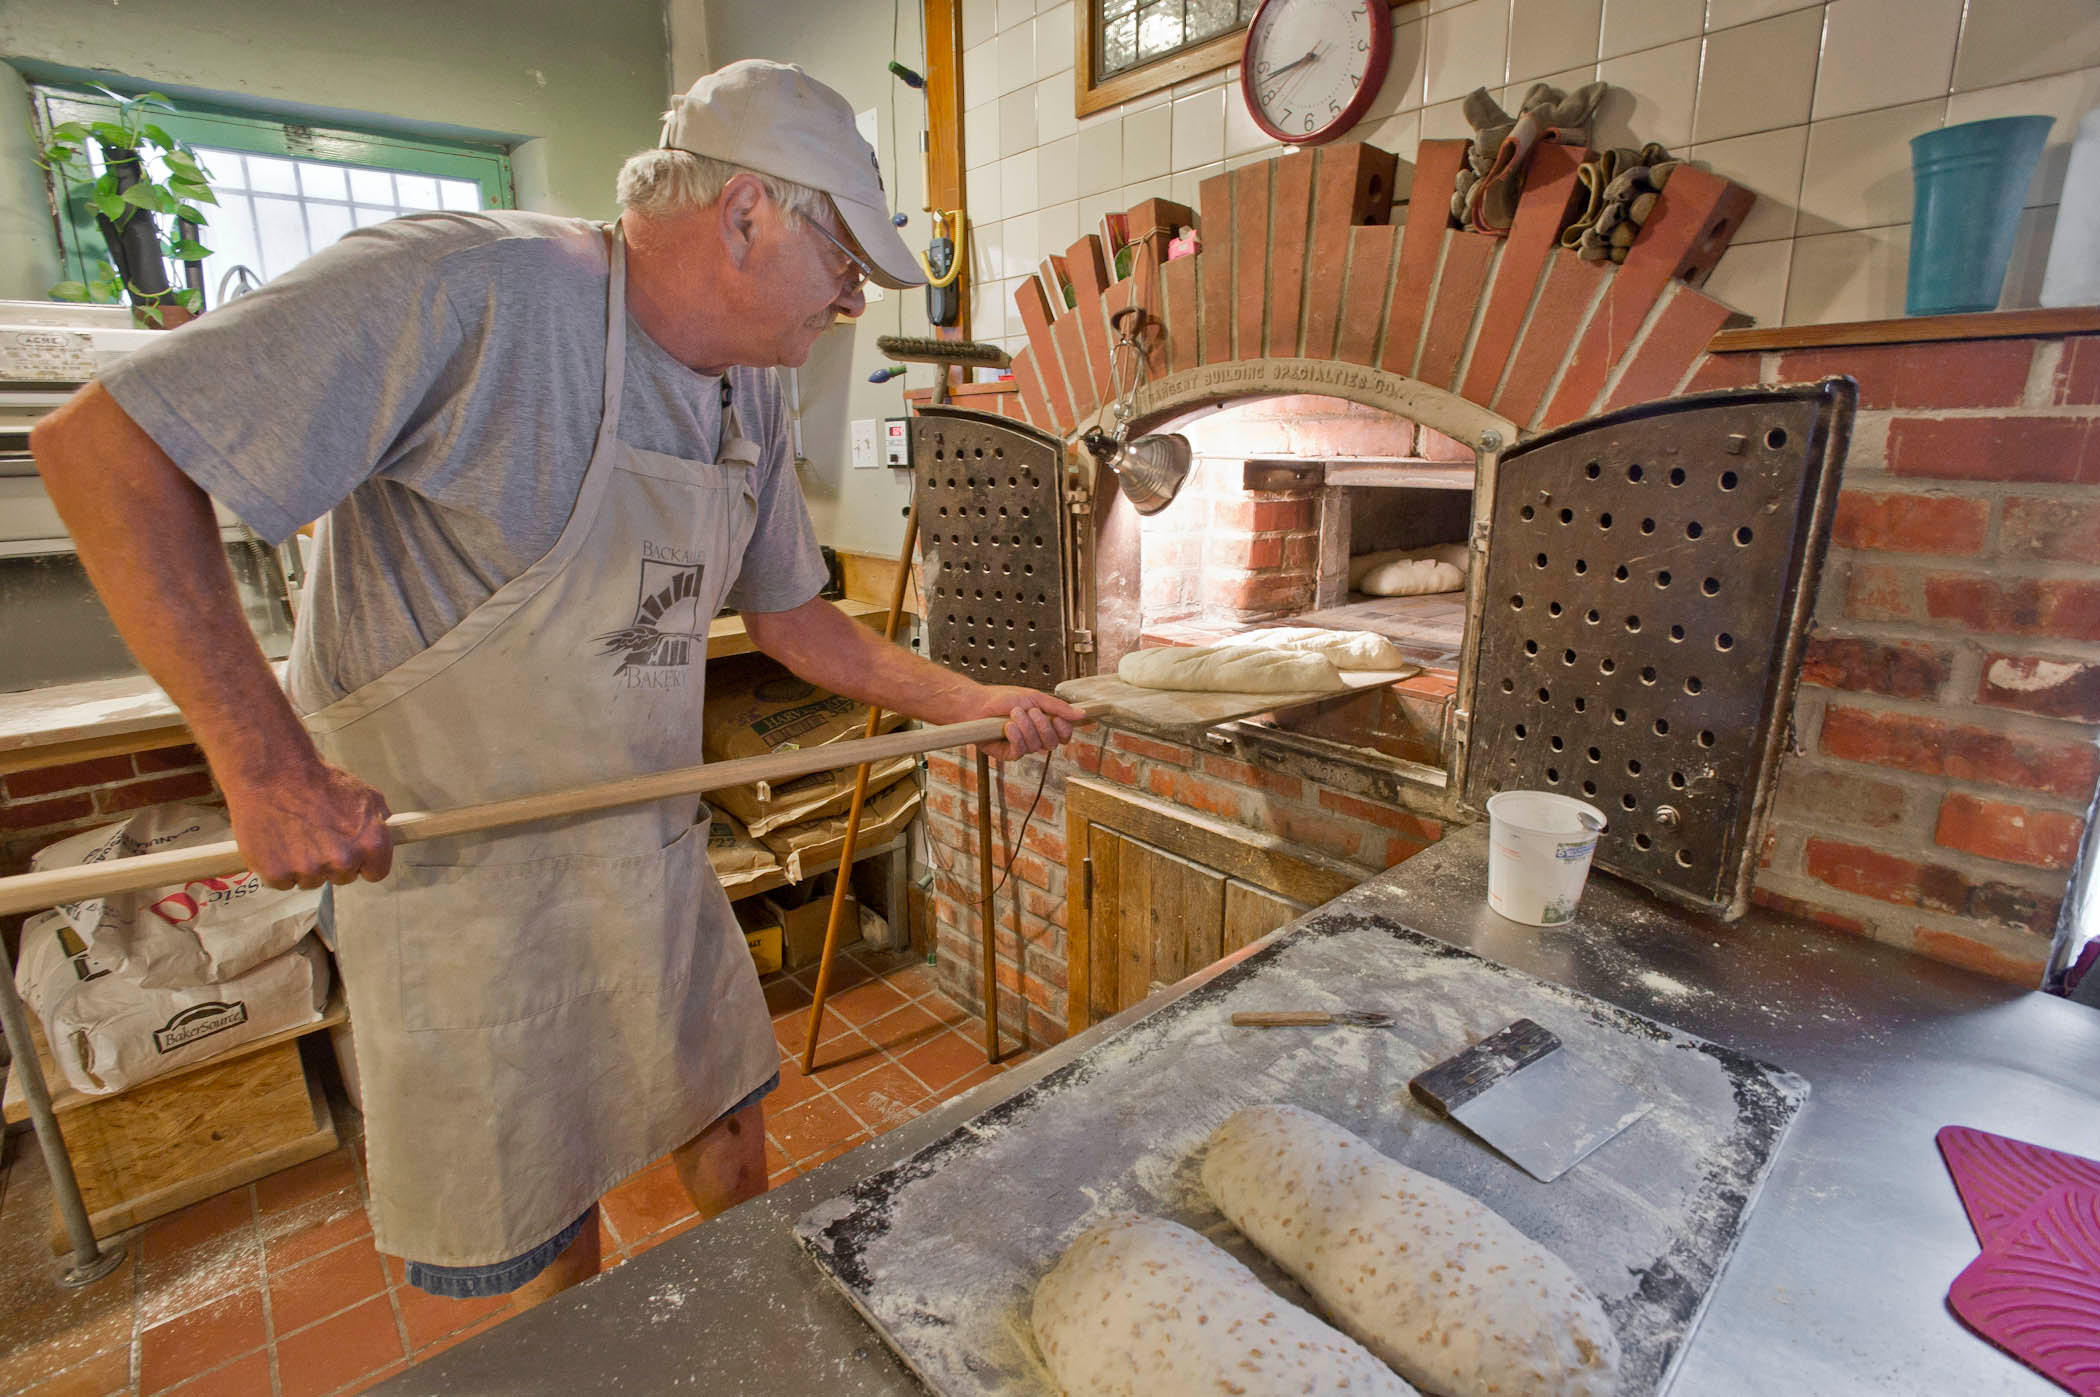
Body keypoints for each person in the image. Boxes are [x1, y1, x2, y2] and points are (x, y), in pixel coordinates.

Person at [29, 59, 1084, 1308]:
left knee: (731, 1130)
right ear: (746, 213)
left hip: (642, 840)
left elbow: (795, 618)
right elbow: (103, 447)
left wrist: (966, 700)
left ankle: (762, 1330)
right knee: (547, 1232)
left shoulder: (754, 373)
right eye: (844, 261)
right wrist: (266, 767)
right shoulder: (470, 288)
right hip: (463, 883)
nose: (854, 300)